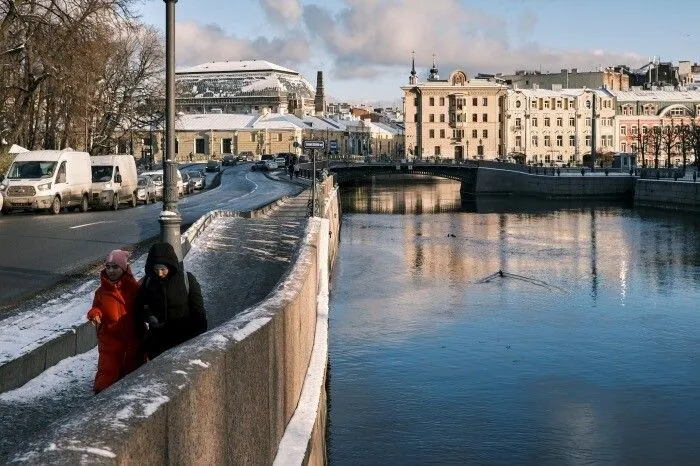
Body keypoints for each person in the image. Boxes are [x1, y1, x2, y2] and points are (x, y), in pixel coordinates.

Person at [136, 242, 207, 359]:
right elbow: (140, 307)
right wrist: (149, 316)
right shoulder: (148, 282)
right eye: (156, 269)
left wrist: (199, 339)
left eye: (163, 269)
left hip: (183, 342)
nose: (159, 273)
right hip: (157, 344)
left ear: (170, 266)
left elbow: (198, 311)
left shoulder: (187, 280)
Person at [87, 250, 144, 394]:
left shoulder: (134, 288)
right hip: (109, 342)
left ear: (123, 268)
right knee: (106, 378)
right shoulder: (101, 292)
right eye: (108, 267)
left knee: (132, 380)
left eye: (115, 267)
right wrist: (94, 314)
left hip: (132, 341)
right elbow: (96, 308)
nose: (111, 271)